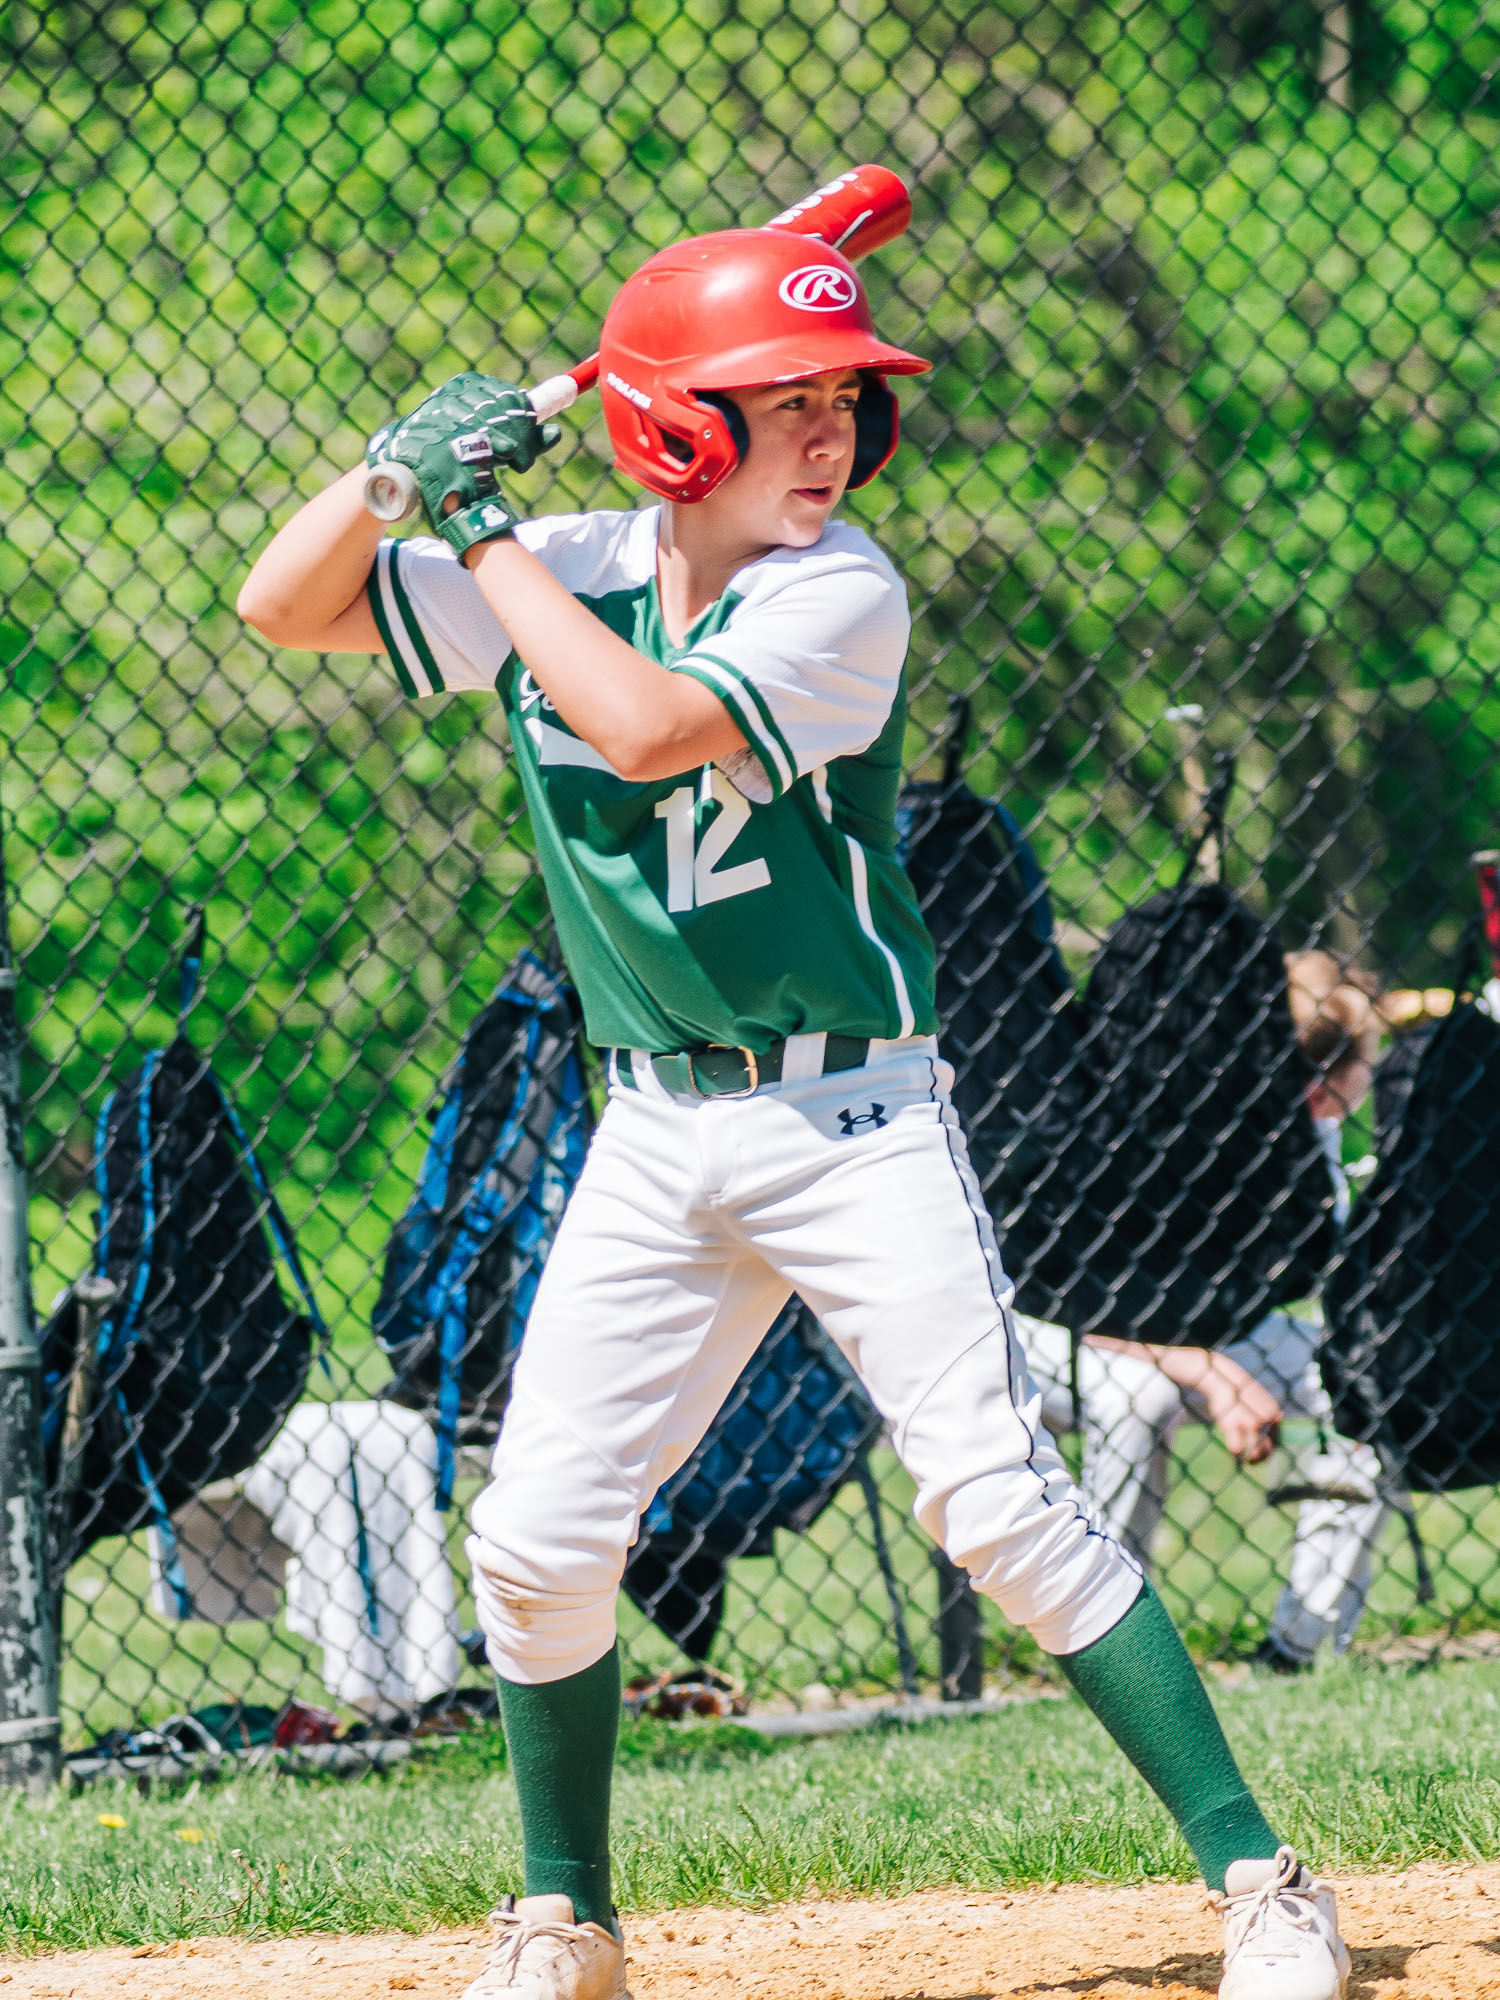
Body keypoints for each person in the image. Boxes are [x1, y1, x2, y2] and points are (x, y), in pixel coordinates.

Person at [238, 226, 1349, 2000]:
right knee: (531, 1543)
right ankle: (564, 1918)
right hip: (657, 1131)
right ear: (671, 431)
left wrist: (476, 528)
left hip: (855, 1124)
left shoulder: (842, 593)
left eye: (843, 404)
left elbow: (650, 721)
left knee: (992, 1501)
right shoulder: (572, 561)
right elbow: (278, 605)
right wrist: (391, 470)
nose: (831, 439)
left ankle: (1265, 1880)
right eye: (783, 405)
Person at [1020, 952, 1390, 1669]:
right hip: (1071, 1332)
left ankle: (1297, 1648)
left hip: (1214, 1335)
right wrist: (1210, 1371)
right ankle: (1108, 1646)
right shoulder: (1165, 1107)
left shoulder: (1301, 1130)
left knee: (1368, 1389)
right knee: (1141, 1399)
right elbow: (1073, 1291)